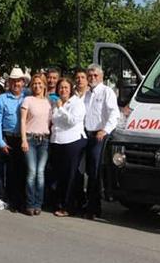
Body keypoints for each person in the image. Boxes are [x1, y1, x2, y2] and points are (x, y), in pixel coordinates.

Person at [82, 64, 119, 220]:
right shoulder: (86, 94)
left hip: (99, 136)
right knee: (87, 171)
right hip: (85, 135)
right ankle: (87, 203)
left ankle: (94, 208)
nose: (92, 78)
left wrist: (105, 130)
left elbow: (114, 114)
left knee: (95, 171)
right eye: (90, 75)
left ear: (101, 77)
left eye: (95, 75)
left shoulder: (106, 92)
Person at [50, 78, 87, 217]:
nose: (63, 90)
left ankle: (69, 206)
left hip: (73, 141)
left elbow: (72, 120)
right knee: (60, 175)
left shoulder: (77, 103)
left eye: (66, 87)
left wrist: (61, 108)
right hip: (57, 141)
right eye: (61, 87)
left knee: (71, 176)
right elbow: (54, 120)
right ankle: (59, 203)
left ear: (71, 89)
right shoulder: (56, 102)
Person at [0, 67, 26, 211]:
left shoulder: (27, 96)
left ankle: (21, 200)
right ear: (9, 82)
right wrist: (0, 141)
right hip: (8, 137)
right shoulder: (2, 98)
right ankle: (11, 200)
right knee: (10, 172)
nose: (16, 84)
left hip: (24, 138)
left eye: (18, 81)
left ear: (23, 82)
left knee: (23, 171)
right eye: (13, 81)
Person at [19, 74, 52, 216]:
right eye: (34, 83)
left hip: (44, 140)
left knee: (40, 173)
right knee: (32, 172)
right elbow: (22, 121)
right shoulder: (28, 100)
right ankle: (30, 204)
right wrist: (24, 140)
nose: (37, 86)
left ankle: (39, 203)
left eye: (39, 83)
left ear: (44, 85)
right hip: (30, 139)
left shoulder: (49, 101)